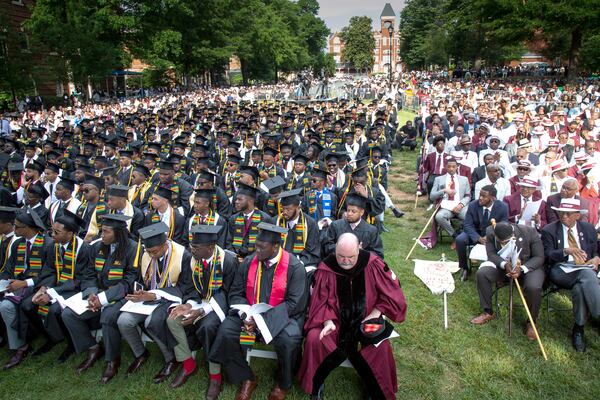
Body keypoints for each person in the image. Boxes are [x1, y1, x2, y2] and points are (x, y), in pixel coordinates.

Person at [298, 233, 407, 400]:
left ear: (360, 248)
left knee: (381, 346)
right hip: (335, 323)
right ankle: (317, 382)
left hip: (366, 322)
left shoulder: (373, 264)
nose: (345, 261)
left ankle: (373, 386)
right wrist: (327, 321)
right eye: (341, 256)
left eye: (351, 257)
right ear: (335, 250)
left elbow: (390, 293)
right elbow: (319, 301)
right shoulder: (326, 268)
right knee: (315, 339)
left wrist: (375, 314)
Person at [209, 222, 307, 400]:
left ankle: (283, 383)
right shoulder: (249, 262)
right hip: (250, 313)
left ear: (276, 246)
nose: (257, 251)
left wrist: (262, 321)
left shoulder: (294, 267)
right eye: (256, 246)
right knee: (225, 332)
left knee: (289, 339)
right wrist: (246, 314)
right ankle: (246, 377)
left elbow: (294, 304)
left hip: (283, 315)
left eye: (262, 247)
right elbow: (236, 293)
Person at [61, 214, 140, 383]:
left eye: (106, 231)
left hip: (122, 296)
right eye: (101, 231)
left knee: (108, 316)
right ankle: (93, 348)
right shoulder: (97, 247)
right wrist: (91, 293)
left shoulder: (133, 248)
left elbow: (129, 281)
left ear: (118, 233)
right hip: (97, 293)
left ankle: (113, 360)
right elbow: (89, 274)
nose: (101, 235)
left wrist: (103, 299)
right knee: (68, 314)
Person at [166, 225, 238, 395]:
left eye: (196, 248)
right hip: (199, 302)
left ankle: (215, 376)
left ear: (211, 247)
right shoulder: (193, 260)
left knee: (207, 327)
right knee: (172, 319)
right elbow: (192, 288)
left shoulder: (227, 261)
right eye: (192, 247)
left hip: (219, 306)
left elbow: (228, 292)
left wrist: (202, 311)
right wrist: (188, 305)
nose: (192, 251)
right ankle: (188, 364)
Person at [117, 222, 191, 383]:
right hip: (146, 299)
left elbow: (184, 287)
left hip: (170, 300)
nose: (151, 255)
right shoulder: (146, 254)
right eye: (148, 251)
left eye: (154, 251)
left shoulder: (183, 255)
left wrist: (154, 295)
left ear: (165, 245)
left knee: (153, 322)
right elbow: (139, 278)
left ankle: (171, 359)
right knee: (123, 320)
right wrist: (138, 291)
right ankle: (140, 354)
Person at [26, 210, 94, 360]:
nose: (52, 235)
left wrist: (52, 293)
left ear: (70, 234)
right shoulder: (53, 246)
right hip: (56, 287)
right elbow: (49, 271)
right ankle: (52, 337)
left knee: (55, 310)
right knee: (28, 305)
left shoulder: (84, 249)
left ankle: (71, 343)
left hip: (75, 290)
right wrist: (43, 288)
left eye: (57, 232)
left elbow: (80, 279)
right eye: (52, 230)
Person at [541, 198, 600, 352]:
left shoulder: (588, 228)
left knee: (581, 287)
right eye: (561, 213)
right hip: (561, 269)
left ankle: (578, 328)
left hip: (585, 268)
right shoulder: (549, 230)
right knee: (587, 275)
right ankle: (598, 313)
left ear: (577, 215)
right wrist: (565, 251)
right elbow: (546, 255)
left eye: (568, 214)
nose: (564, 216)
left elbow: (597, 250)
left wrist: (597, 258)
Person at [471, 221, 546, 341]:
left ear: (513, 235)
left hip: (528, 267)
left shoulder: (529, 232)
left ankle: (532, 322)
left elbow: (539, 257)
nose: (502, 244)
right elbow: (491, 254)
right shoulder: (490, 231)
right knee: (482, 274)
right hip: (504, 267)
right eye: (500, 241)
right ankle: (487, 311)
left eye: (505, 242)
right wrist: (504, 264)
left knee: (533, 287)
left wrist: (521, 269)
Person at [454, 185, 509, 281]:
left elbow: (503, 226)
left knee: (502, 242)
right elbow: (467, 224)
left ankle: (498, 270)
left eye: (484, 196)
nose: (480, 198)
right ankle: (465, 267)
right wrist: (478, 238)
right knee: (460, 240)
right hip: (475, 232)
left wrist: (490, 236)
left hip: (493, 235)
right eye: (480, 195)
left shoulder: (502, 207)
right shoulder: (473, 205)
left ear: (492, 198)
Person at [324, 193, 383, 259]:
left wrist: (362, 252)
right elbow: (326, 247)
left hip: (361, 266)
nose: (349, 214)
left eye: (353, 211)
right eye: (348, 210)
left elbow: (378, 254)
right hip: (338, 264)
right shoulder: (335, 225)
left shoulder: (371, 230)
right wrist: (341, 248)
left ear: (362, 212)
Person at [274, 189, 321, 272]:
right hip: (279, 262)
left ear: (299, 208)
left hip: (301, 264)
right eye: (283, 209)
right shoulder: (276, 221)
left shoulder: (310, 224)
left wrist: (298, 263)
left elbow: (312, 252)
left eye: (288, 209)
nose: (284, 212)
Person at [430, 157, 470, 242]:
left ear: (457, 167)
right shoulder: (439, 179)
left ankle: (463, 234)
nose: (451, 169)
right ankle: (455, 236)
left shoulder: (464, 179)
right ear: (445, 167)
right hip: (446, 207)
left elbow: (468, 196)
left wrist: (460, 205)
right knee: (439, 216)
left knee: (470, 216)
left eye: (453, 166)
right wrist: (443, 190)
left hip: (460, 206)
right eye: (449, 166)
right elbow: (432, 196)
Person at [227, 183, 270, 262]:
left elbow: (265, 244)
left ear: (250, 201)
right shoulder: (233, 219)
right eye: (236, 199)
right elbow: (229, 241)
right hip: (236, 260)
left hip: (256, 260)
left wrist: (248, 259)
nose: (236, 202)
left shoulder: (264, 219)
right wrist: (235, 256)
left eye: (240, 199)